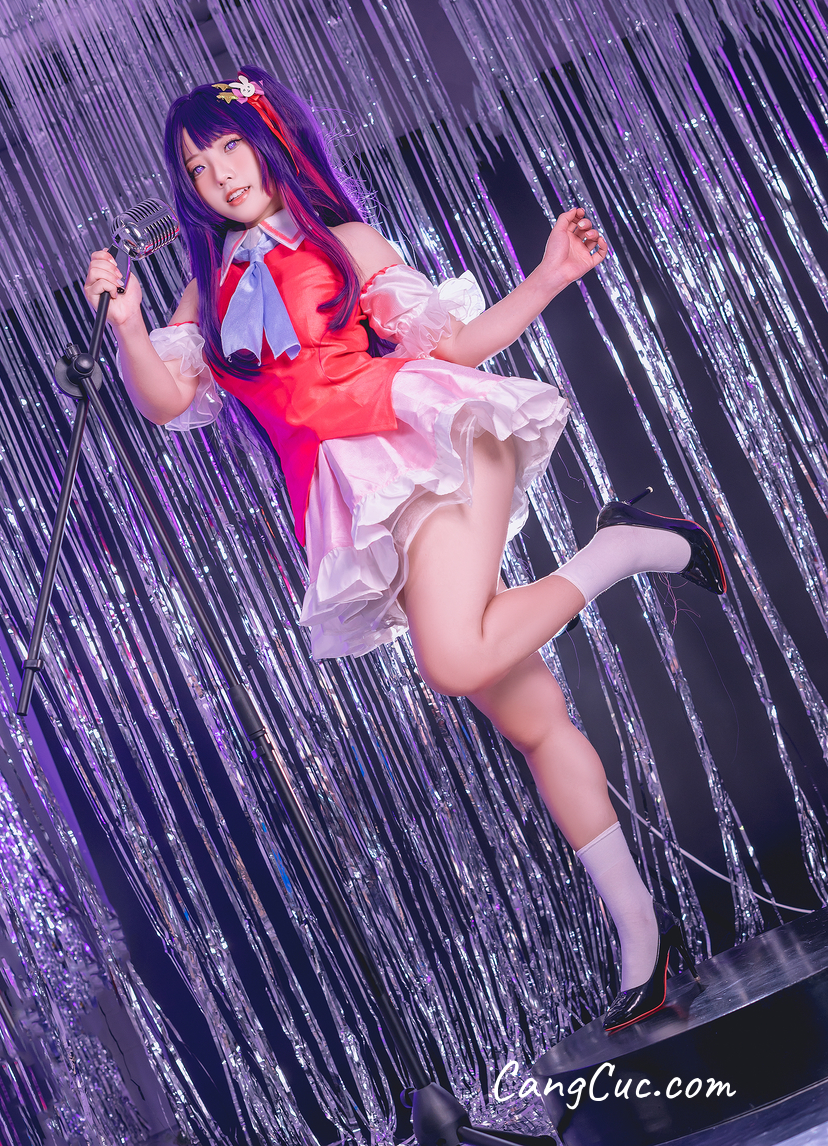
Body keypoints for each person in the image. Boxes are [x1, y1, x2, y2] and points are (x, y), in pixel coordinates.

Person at [84, 66, 722, 1031]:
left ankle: (626, 546)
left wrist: (549, 275)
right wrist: (130, 325)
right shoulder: (204, 290)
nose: (219, 175)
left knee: (452, 660)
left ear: (268, 141)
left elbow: (452, 347)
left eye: (229, 147)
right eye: (197, 166)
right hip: (348, 496)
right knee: (531, 719)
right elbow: (169, 402)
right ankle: (644, 945)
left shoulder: (340, 241)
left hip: (422, 443)